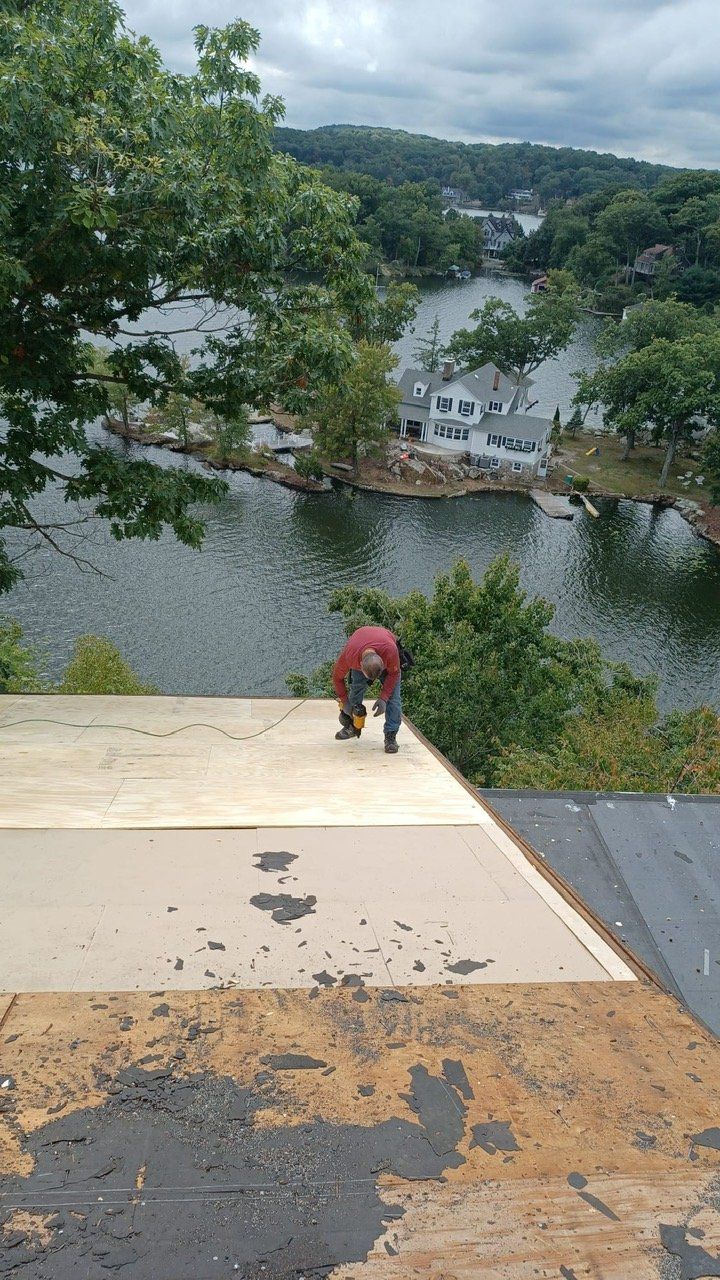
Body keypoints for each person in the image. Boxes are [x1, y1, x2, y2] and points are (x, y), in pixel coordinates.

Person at [332, 625, 402, 754]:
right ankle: (352, 726)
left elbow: (394, 674)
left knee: (394, 698)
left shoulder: (390, 651)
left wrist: (383, 698)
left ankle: (391, 736)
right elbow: (337, 678)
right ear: (361, 667)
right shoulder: (350, 656)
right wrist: (345, 702)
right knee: (356, 689)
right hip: (359, 648)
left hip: (386, 645)